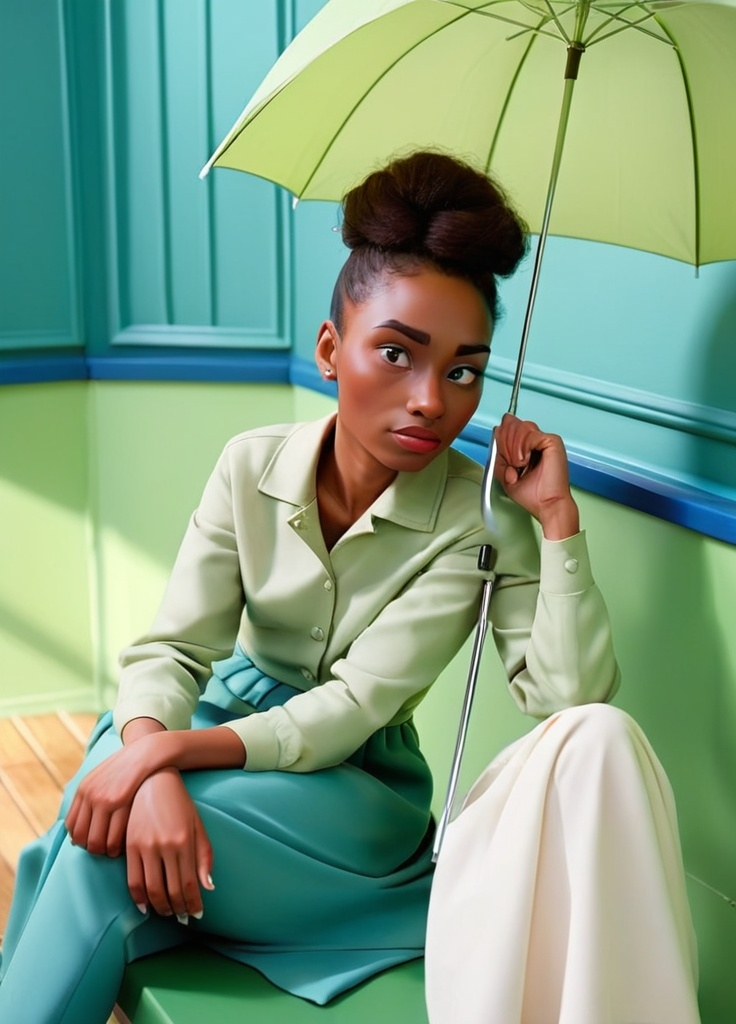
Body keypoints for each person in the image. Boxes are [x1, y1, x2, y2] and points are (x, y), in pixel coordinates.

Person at [0, 150, 698, 1024]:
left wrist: (555, 522)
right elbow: (172, 650)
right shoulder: (248, 464)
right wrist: (149, 749)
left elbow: (524, 700)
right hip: (212, 731)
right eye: (398, 354)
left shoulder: (475, 524)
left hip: (348, 795)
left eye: (462, 370)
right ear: (332, 349)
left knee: (98, 851)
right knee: (88, 816)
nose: (429, 401)